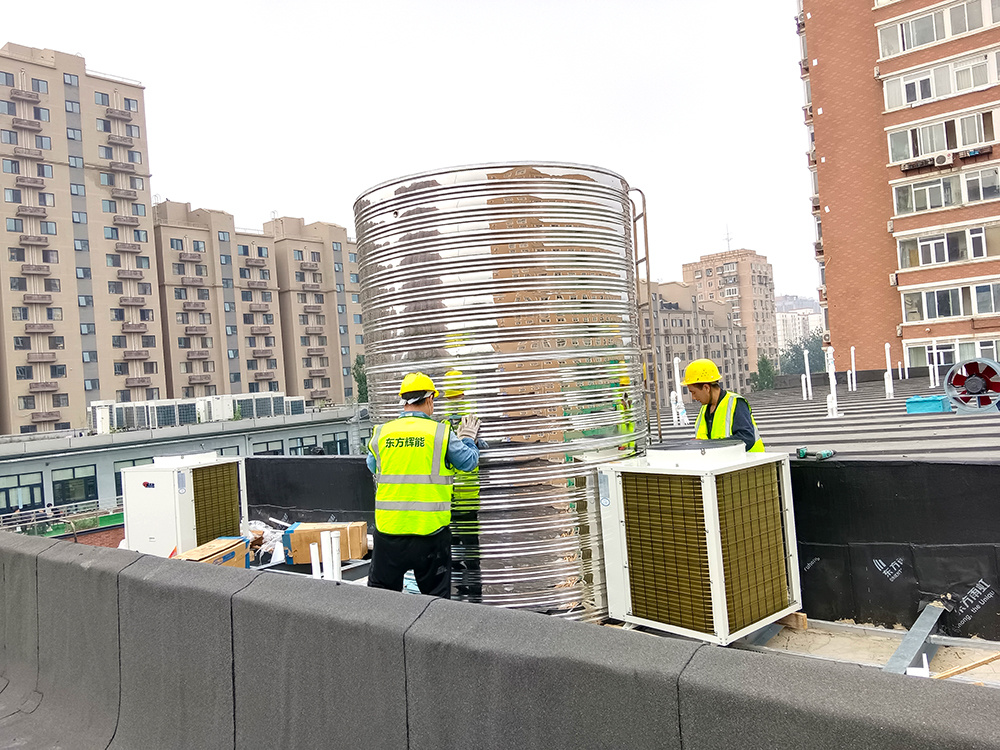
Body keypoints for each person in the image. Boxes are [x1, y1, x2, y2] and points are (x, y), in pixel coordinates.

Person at [366, 372, 481, 598]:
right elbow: (468, 463)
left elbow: (373, 466)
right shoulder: (440, 433)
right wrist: (468, 438)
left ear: (404, 402)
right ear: (429, 400)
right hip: (429, 535)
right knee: (435, 605)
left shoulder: (382, 433)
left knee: (381, 601)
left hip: (389, 533)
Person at [681, 358, 764, 452]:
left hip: (750, 463)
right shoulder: (704, 410)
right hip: (725, 464)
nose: (693, 397)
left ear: (706, 388)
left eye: (693, 392)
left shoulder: (736, 403)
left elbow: (746, 439)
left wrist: (711, 445)